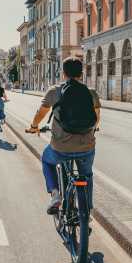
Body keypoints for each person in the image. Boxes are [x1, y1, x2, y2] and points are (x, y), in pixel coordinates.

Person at [26, 57, 100, 214]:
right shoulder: (90, 92)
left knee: (46, 159)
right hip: (86, 147)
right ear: (81, 74)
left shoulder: (55, 91)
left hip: (60, 148)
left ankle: (55, 194)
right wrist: (92, 131)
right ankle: (87, 209)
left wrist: (34, 126)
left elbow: (41, 113)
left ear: (63, 73)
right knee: (86, 174)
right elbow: (96, 118)